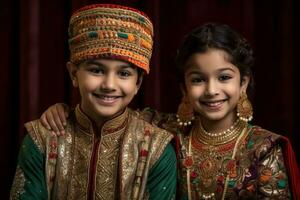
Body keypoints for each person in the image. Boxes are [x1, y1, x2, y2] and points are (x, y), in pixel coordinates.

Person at [40, 23, 300, 199]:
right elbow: (108, 111)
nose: (211, 90)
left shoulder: (264, 149)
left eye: (223, 78)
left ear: (242, 82)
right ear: (184, 87)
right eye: (198, 79)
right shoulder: (165, 130)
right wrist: (64, 110)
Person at [10, 4, 177, 200]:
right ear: (74, 74)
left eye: (123, 73)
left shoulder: (156, 149)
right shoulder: (42, 139)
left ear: (138, 83)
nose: (109, 85)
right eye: (96, 70)